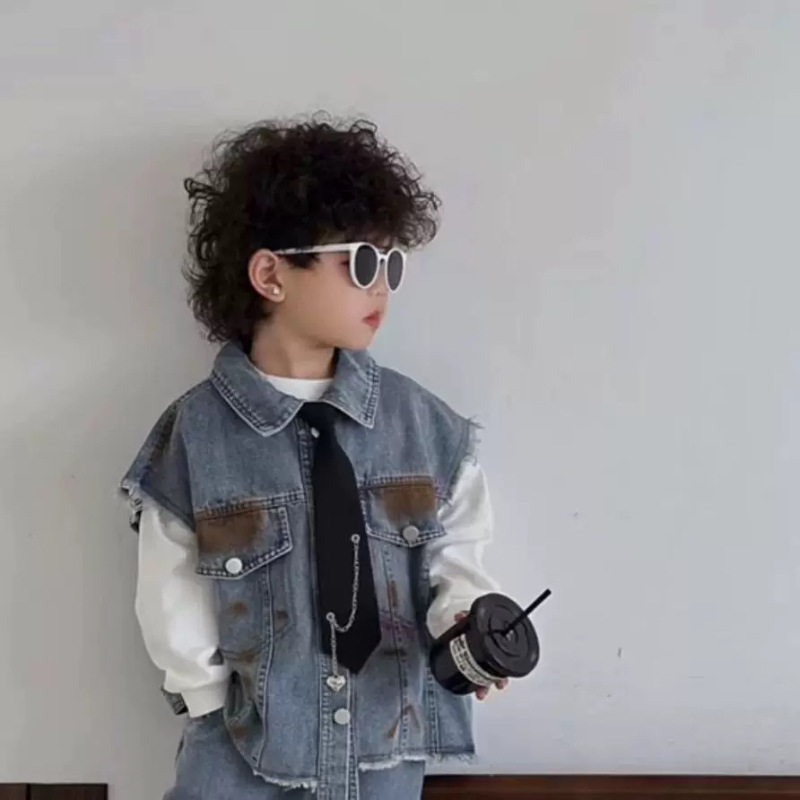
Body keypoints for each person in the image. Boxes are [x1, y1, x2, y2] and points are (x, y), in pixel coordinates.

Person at [120, 115, 505, 800]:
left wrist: (467, 625)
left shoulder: (423, 428)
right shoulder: (198, 435)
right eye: (361, 263)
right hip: (242, 754)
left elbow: (458, 549)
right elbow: (170, 586)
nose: (381, 286)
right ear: (271, 273)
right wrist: (207, 697)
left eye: (391, 265)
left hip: (386, 747)